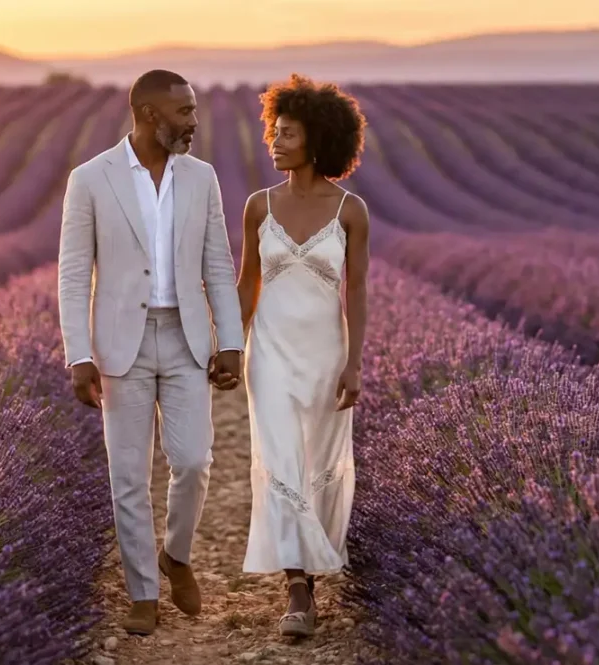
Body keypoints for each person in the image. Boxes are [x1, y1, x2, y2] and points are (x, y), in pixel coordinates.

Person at [57, 69, 244, 636]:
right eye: (183, 111)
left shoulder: (201, 177)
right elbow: (72, 274)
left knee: (192, 461)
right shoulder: (90, 179)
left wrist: (231, 340)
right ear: (147, 114)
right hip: (121, 347)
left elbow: (217, 263)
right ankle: (143, 592)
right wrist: (77, 353)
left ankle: (176, 555)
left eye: (192, 110)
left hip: (185, 338)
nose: (193, 121)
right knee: (128, 476)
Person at [232, 73, 370, 638]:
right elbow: (247, 285)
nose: (274, 142)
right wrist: (222, 347)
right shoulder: (257, 206)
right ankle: (297, 588)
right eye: (273, 132)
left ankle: (313, 564)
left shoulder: (351, 211)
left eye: (286, 133)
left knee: (318, 461)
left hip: (325, 353)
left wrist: (355, 363)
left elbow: (356, 291)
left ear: (317, 140)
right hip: (268, 352)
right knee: (282, 456)